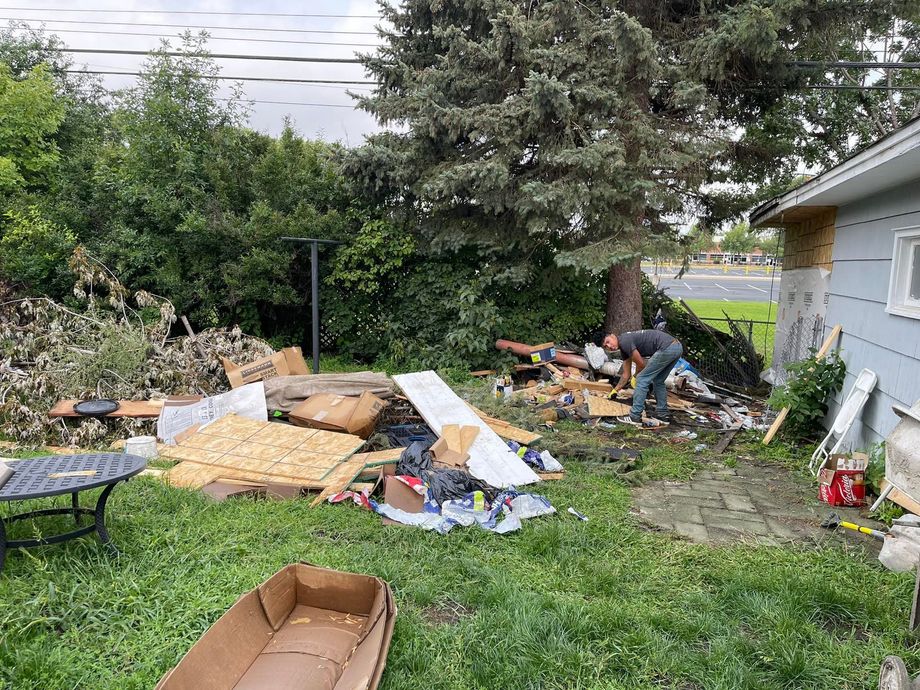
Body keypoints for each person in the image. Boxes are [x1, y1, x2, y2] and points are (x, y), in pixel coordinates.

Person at [602, 329, 683, 426]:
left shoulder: (625, 341)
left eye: (608, 342)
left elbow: (641, 364)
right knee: (658, 380)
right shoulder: (624, 348)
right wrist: (615, 390)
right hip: (676, 347)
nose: (609, 346)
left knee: (642, 379)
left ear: (612, 335)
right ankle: (663, 415)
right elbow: (626, 374)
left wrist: (636, 377)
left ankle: (634, 416)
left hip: (667, 347)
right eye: (605, 346)